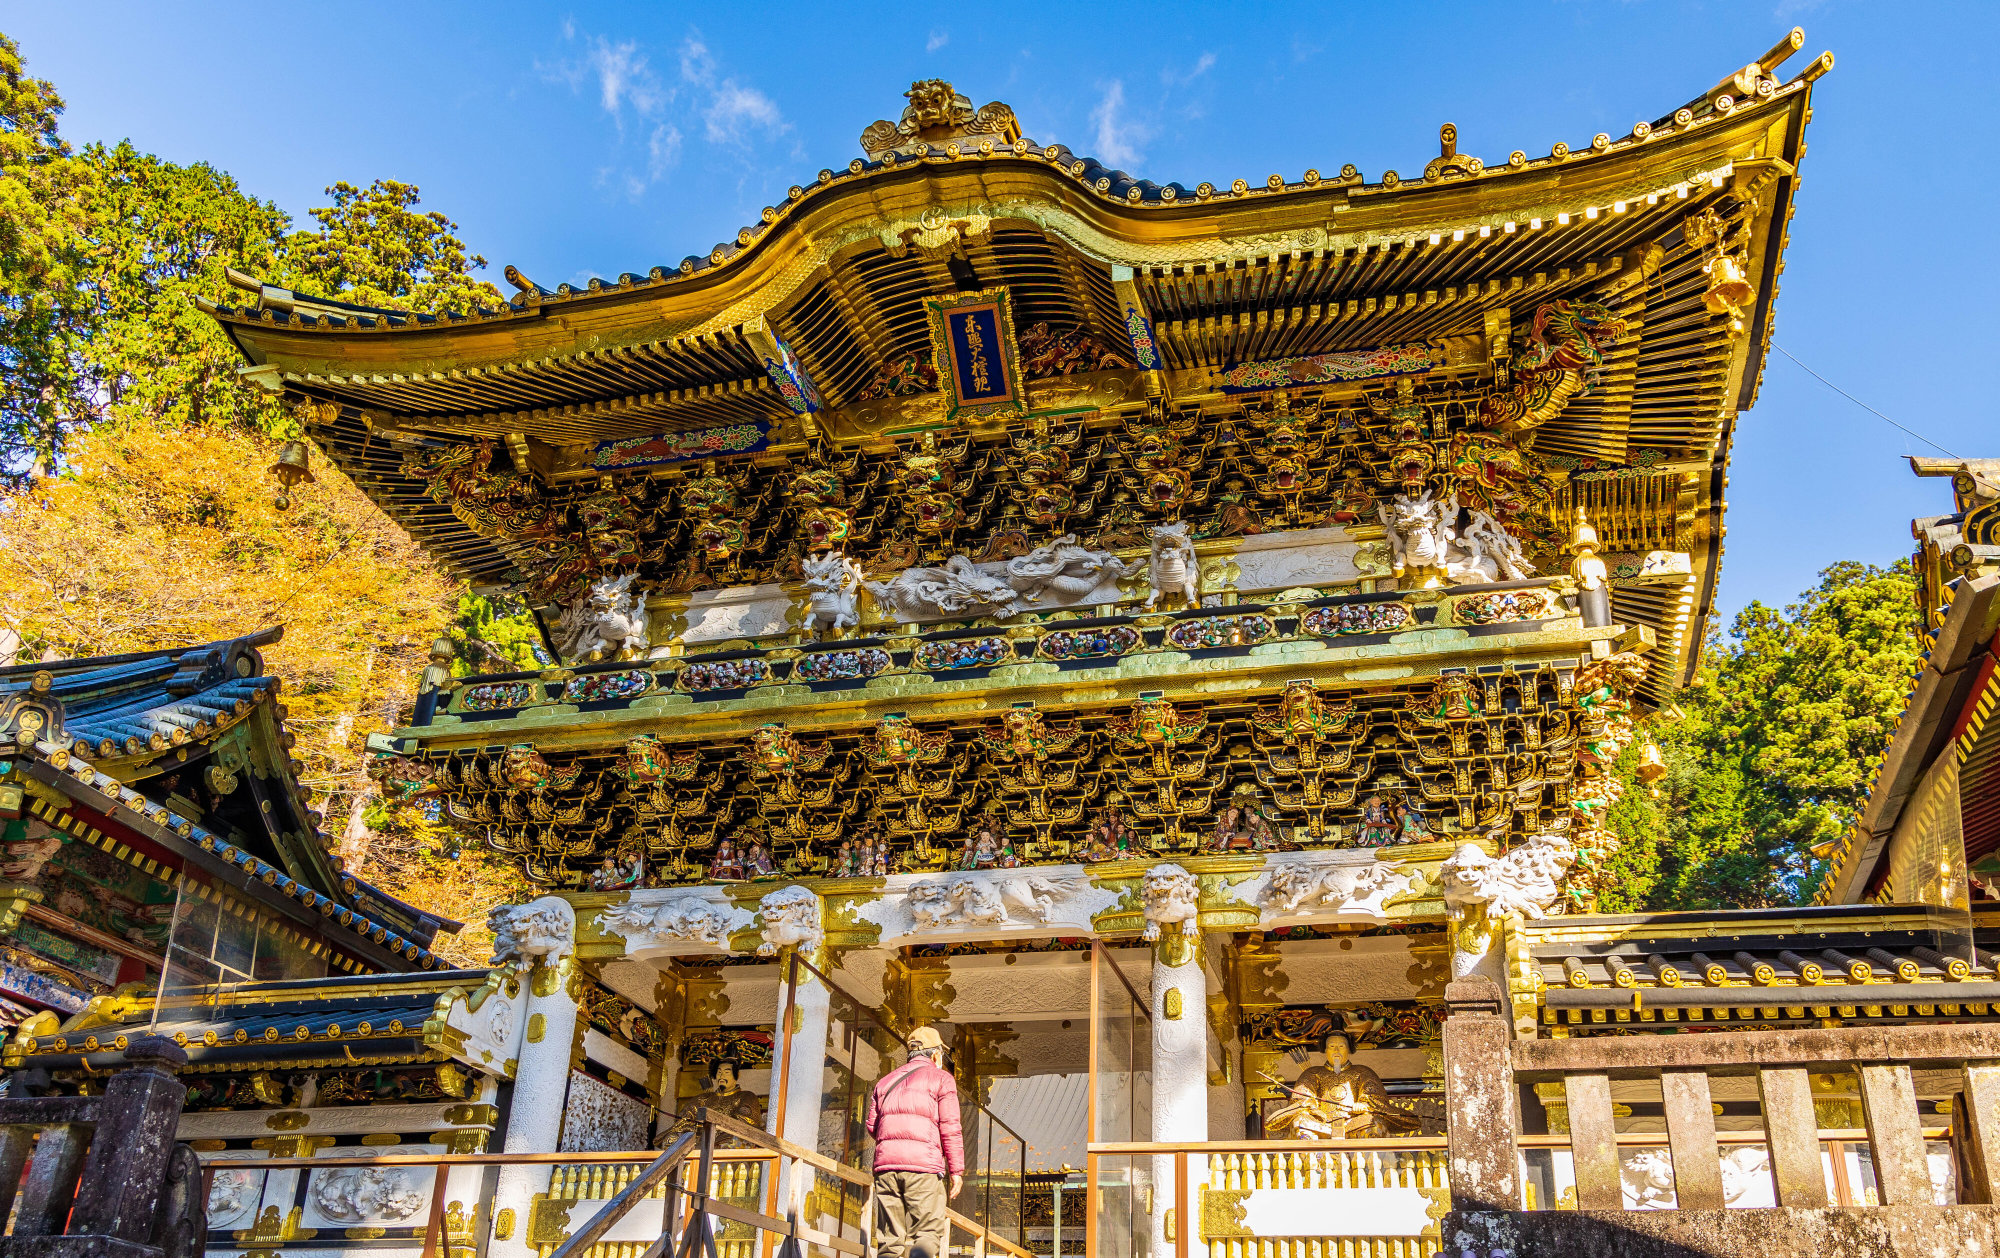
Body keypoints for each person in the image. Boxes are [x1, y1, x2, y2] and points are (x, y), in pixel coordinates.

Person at [865, 1026, 964, 1258]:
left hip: (886, 1169)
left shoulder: (885, 1082)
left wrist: (894, 1145)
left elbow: (872, 1125)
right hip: (923, 1168)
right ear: (936, 1055)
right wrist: (956, 1171)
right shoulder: (942, 1079)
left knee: (889, 1241)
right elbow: (950, 1127)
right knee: (927, 1232)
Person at [1264, 1032, 1417, 1140]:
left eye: (1341, 1046)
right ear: (1325, 1050)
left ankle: (1365, 1166)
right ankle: (1315, 1166)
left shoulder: (1362, 1072)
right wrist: (1313, 1108)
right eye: (1331, 1046)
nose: (1336, 1050)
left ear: (1349, 1049)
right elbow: (1301, 1100)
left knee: (1374, 1122)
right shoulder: (1313, 1073)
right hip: (1322, 1125)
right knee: (1301, 1121)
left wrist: (1364, 1105)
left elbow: (1375, 1099)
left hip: (1352, 1123)